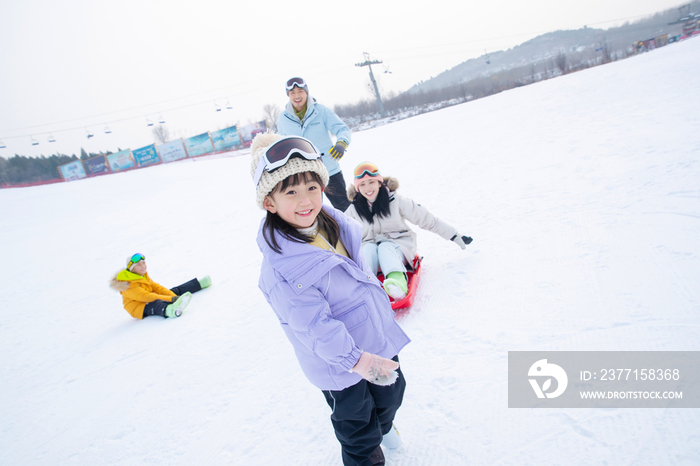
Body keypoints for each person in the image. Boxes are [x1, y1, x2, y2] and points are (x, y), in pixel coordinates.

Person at [251, 132, 410, 466]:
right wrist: (358, 361)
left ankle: (384, 427)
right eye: (290, 192)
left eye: (311, 187)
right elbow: (315, 329)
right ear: (269, 202)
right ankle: (369, 452)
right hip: (339, 363)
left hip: (374, 336)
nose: (305, 199)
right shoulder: (282, 268)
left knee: (392, 395)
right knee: (357, 429)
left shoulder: (333, 223)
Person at [345, 162, 473, 300]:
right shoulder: (353, 210)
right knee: (367, 249)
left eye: (371, 182)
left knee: (385, 247)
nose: (368, 188)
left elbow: (426, 218)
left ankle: (397, 284)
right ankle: (365, 288)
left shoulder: (396, 201)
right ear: (357, 188)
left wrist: (454, 235)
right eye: (362, 184)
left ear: (380, 183)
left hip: (398, 247)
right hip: (371, 255)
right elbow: (338, 234)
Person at [277, 77, 352, 212]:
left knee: (345, 209)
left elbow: (342, 129)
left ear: (306, 92)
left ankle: (357, 233)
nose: (297, 95)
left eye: (300, 91)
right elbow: (281, 145)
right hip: (303, 176)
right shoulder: (283, 119)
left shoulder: (321, 111)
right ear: (288, 95)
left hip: (329, 171)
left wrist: (341, 144)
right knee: (312, 212)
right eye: (292, 92)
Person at [109, 253, 212, 319]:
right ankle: (172, 311)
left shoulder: (141, 275)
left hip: (148, 296)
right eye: (139, 265)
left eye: (143, 263)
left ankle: (199, 283)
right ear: (132, 269)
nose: (143, 266)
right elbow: (147, 297)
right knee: (157, 304)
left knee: (172, 291)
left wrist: (172, 295)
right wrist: (172, 299)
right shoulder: (128, 286)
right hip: (138, 306)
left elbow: (156, 287)